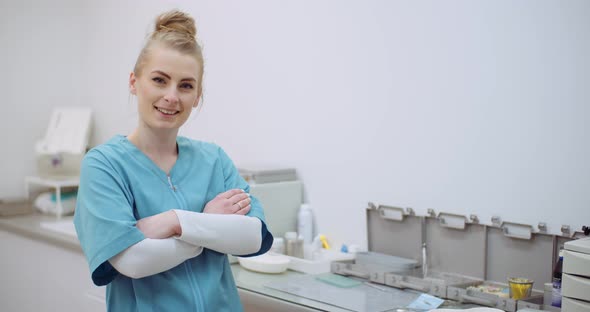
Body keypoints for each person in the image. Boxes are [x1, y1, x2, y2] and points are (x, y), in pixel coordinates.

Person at [74, 9, 273, 311]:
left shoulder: (213, 160)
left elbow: (253, 237)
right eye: (159, 80)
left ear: (197, 95)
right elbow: (132, 260)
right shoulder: (104, 165)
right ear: (134, 82)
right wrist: (210, 226)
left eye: (185, 85)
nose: (171, 96)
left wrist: (174, 221)